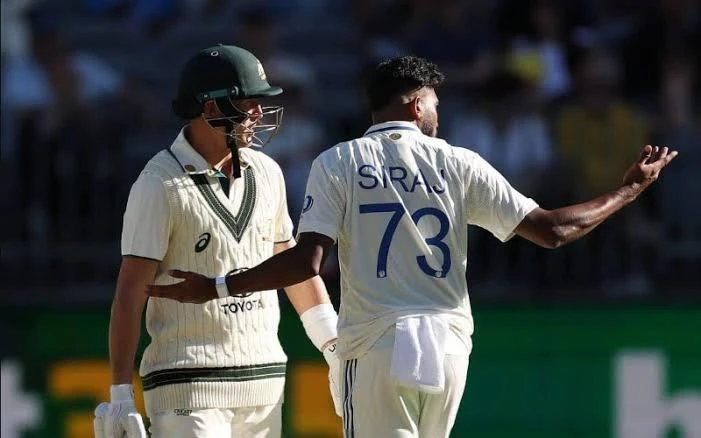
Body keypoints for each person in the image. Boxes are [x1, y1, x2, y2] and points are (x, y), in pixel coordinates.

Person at [146, 55, 678, 437]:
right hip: (448, 345)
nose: (437, 116)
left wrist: (220, 285)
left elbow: (308, 260)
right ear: (417, 102)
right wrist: (628, 189)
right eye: (435, 105)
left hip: (376, 344)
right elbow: (554, 230)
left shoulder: (339, 161)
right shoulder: (457, 160)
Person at [93, 44, 342, 438]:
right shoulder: (159, 183)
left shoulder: (268, 173)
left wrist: (334, 345)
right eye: (248, 102)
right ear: (211, 109)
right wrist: (121, 393)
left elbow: (290, 266)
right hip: (187, 383)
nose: (259, 113)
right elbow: (129, 292)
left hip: (264, 383)